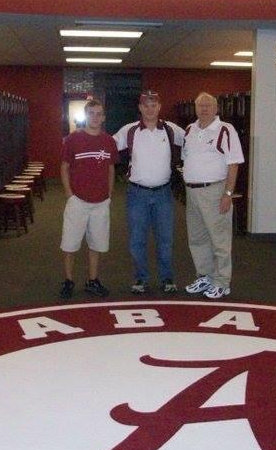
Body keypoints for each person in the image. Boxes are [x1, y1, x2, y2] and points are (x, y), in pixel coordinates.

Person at [114, 90, 185, 294]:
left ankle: (167, 278)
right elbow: (107, 146)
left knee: (165, 239)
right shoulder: (129, 131)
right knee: (137, 239)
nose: (150, 109)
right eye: (146, 105)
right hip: (137, 194)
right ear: (140, 108)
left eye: (154, 105)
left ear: (159, 107)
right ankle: (141, 278)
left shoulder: (171, 130)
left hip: (163, 194)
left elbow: (193, 142)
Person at [182, 92, 244, 299]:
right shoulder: (190, 129)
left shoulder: (226, 130)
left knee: (219, 239)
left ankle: (222, 281)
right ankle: (205, 276)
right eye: (200, 105)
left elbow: (233, 163)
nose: (204, 109)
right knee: (197, 239)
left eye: (208, 105)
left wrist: (228, 193)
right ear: (195, 108)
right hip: (192, 192)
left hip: (215, 192)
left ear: (217, 108)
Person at [59, 99, 119, 299]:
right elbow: (64, 167)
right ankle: (68, 281)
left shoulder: (109, 141)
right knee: (70, 244)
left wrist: (109, 194)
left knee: (97, 244)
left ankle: (93, 281)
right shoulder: (73, 139)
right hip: (78, 201)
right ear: (86, 116)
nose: (95, 117)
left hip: (101, 202)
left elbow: (111, 169)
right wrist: (69, 194)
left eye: (98, 113)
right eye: (91, 113)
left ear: (103, 117)